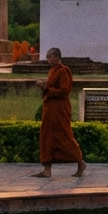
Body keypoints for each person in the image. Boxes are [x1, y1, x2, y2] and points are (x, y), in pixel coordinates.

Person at [33, 48, 86, 178]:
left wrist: (47, 88)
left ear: (57, 57)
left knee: (64, 136)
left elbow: (64, 90)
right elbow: (51, 89)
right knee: (47, 137)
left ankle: (80, 162)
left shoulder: (64, 71)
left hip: (59, 109)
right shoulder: (52, 71)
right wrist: (44, 87)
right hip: (50, 109)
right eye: (47, 57)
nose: (48, 59)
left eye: (49, 56)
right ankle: (47, 169)